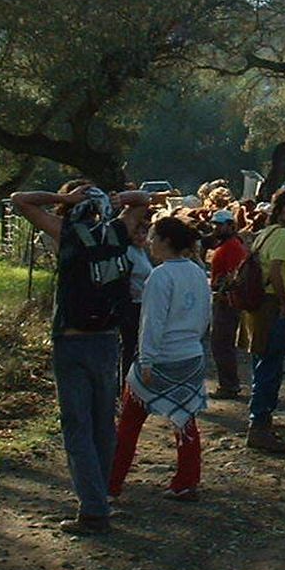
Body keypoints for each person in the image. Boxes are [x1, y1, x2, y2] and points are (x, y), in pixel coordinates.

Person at [9, 181, 153, 535]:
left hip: (72, 341)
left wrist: (63, 197)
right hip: (108, 340)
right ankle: (100, 496)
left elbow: (20, 200)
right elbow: (144, 201)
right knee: (104, 424)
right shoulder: (118, 232)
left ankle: (92, 510)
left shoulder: (68, 233)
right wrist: (117, 199)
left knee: (77, 427)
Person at [108, 215, 212, 502]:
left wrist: (147, 359)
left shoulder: (160, 276)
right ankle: (187, 481)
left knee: (129, 423)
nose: (150, 242)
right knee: (185, 420)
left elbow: (151, 322)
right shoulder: (197, 273)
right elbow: (206, 317)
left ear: (166, 241)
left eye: (154, 236)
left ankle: (111, 482)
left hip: (160, 358)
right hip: (190, 356)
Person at [241, 188, 285, 452]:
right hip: (272, 306)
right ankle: (260, 426)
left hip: (255, 309)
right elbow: (276, 272)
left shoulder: (263, 235)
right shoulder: (284, 237)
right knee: (271, 367)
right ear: (281, 211)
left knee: (260, 362)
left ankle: (260, 422)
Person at [205, 208, 247, 397]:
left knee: (221, 343)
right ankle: (229, 383)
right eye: (215, 225)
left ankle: (229, 385)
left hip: (227, 301)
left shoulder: (232, 247)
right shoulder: (227, 245)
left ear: (231, 226)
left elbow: (234, 276)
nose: (216, 228)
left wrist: (221, 291)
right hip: (225, 299)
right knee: (221, 343)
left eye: (220, 225)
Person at [118, 212, 155, 382]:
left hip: (142, 305)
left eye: (143, 233)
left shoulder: (142, 252)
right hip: (131, 306)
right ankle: (125, 383)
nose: (141, 236)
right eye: (136, 233)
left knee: (139, 346)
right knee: (130, 346)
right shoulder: (128, 253)